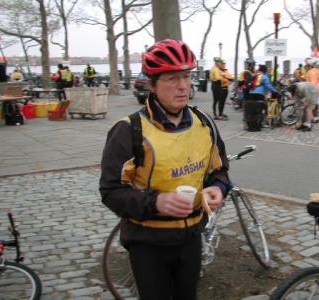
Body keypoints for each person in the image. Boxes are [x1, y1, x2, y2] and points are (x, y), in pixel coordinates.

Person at [99, 39, 231, 300]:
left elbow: (220, 169)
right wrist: (157, 202)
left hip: (192, 237)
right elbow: (111, 191)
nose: (183, 86)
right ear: (152, 85)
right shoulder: (129, 131)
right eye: (172, 78)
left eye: (186, 76)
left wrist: (218, 187)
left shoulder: (204, 123)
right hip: (148, 243)